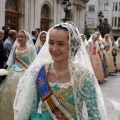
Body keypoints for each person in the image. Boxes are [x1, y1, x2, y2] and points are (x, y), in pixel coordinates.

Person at [14, 23, 107, 120]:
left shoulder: (84, 76)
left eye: (61, 44)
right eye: (51, 43)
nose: (54, 49)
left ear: (72, 45)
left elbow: (94, 115)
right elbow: (29, 109)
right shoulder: (39, 72)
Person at [0, 30, 37, 120]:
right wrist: (6, 72)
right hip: (13, 73)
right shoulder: (15, 47)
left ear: (26, 38)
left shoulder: (30, 49)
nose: (19, 38)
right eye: (18, 37)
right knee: (8, 95)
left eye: (22, 37)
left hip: (25, 74)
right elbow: (11, 61)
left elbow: (34, 63)